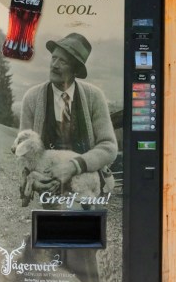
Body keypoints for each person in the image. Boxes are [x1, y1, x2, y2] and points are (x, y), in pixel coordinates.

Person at [19, 32, 118, 194]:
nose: (54, 65)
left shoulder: (95, 97)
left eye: (63, 61)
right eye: (54, 58)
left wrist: (74, 166)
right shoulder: (32, 98)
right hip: (48, 186)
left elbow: (109, 147)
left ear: (76, 70)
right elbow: (24, 150)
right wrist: (34, 181)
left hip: (85, 183)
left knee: (89, 217)